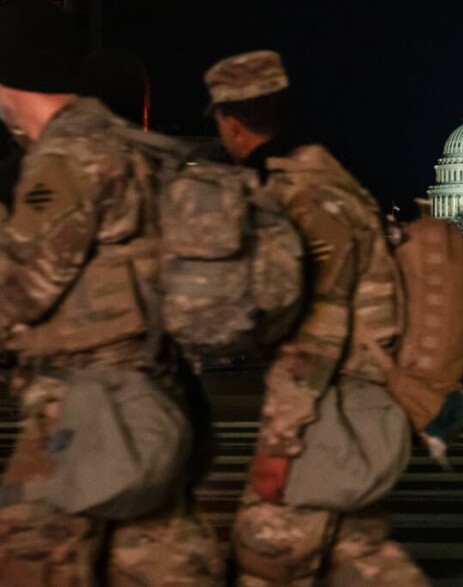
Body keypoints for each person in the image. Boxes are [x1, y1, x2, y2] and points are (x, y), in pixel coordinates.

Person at [0, 0, 223, 584]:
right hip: (156, 400)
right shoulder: (131, 146)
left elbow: (20, 291)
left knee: (30, 564)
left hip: (80, 413)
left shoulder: (64, 158)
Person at [203, 50, 429, 586]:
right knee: (363, 562)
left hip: (327, 416)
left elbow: (317, 335)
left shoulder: (304, 196)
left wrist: (279, 445)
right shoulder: (329, 181)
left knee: (265, 556)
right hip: (355, 411)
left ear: (233, 125)